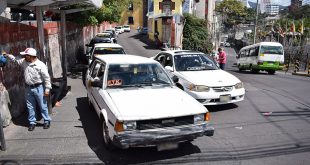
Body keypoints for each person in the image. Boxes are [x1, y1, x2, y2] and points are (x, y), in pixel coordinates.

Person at [4, 48, 52, 131]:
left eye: (26, 55)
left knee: (43, 106)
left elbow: (47, 78)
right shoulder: (23, 61)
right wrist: (8, 55)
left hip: (39, 88)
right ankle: (32, 122)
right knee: (30, 106)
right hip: (28, 88)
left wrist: (47, 89)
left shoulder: (41, 65)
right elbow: (16, 60)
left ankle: (46, 121)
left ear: (31, 56)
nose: (24, 56)